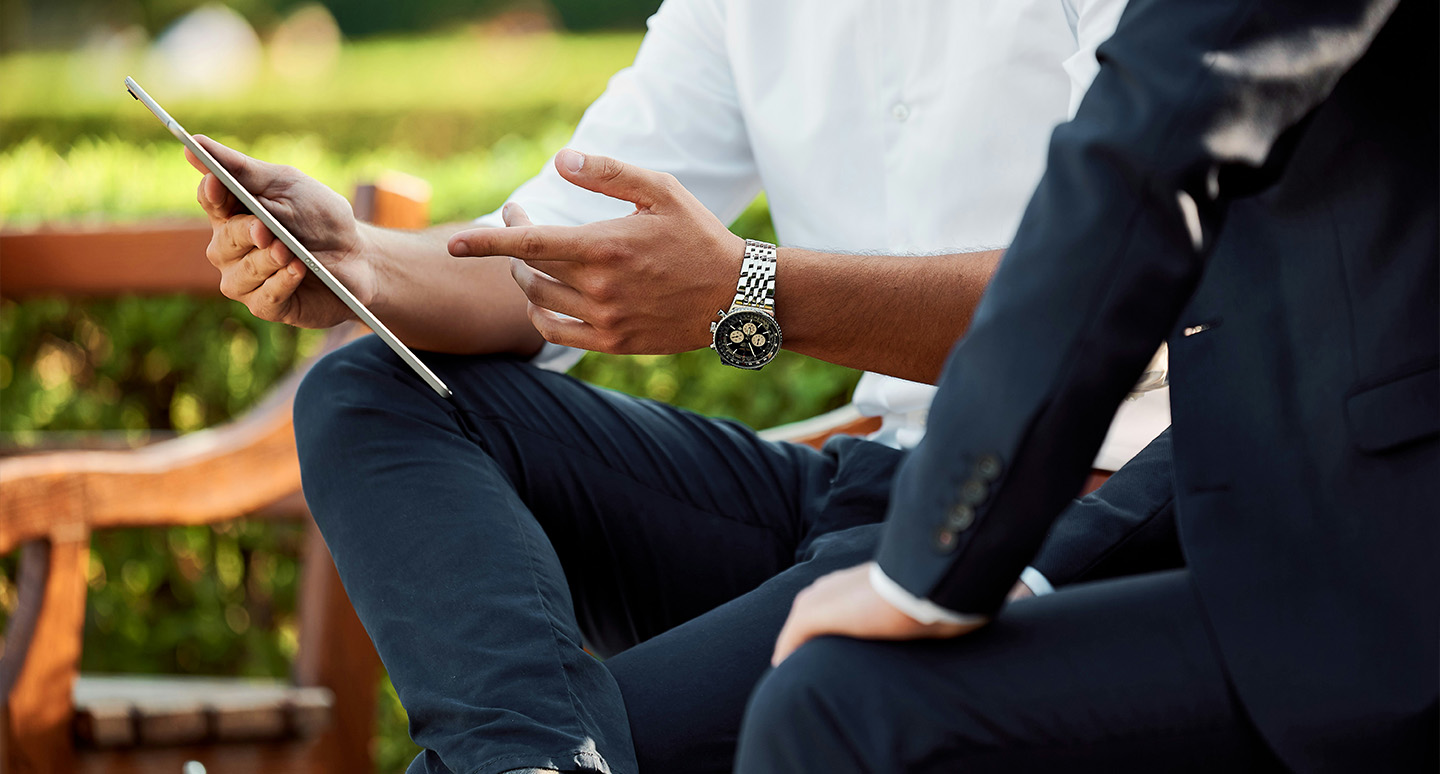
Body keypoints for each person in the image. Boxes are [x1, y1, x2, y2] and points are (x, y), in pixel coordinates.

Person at [190, 1, 1167, 772]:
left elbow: (1114, 291)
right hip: (865, 482)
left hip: (1064, 508)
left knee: (594, 744)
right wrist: (358, 261)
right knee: (367, 393)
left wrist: (751, 291)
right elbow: (548, 254)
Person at [684, 0, 1431, 770]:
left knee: (835, 705)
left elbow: (1138, 166)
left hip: (1371, 564)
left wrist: (932, 566)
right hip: (1254, 515)